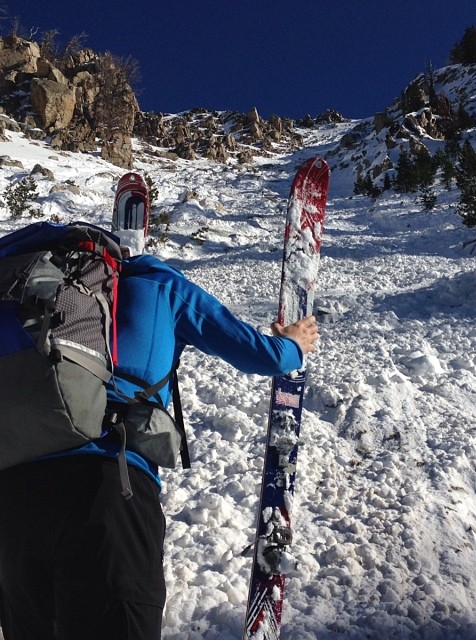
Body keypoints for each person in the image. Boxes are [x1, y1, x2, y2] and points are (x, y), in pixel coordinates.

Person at [0, 229, 319, 639]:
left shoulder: (16, 291)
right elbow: (259, 355)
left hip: (13, 502)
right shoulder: (158, 283)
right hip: (108, 483)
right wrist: (292, 345)